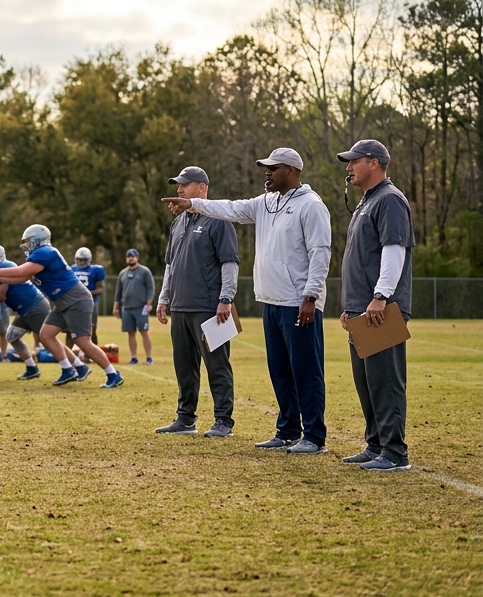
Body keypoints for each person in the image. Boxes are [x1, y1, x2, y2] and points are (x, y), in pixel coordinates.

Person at [163, 147, 332, 455]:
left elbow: (320, 252)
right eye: (265, 168)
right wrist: (192, 203)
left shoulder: (311, 205)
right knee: (280, 370)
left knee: (305, 370)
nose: (266, 172)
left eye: (273, 168)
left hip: (298, 302)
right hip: (271, 300)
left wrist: (310, 295)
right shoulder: (266, 203)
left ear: (291, 171)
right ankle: (287, 430)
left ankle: (314, 435)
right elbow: (230, 207)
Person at [338, 140, 414, 471]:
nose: (348, 167)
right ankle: (376, 444)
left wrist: (381, 296)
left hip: (380, 308)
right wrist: (351, 305)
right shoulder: (367, 201)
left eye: (354, 161)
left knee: (385, 381)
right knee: (367, 382)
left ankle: (395, 453)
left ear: (373, 163)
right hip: (362, 308)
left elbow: (393, 249)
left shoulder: (390, 200)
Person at [154, 166, 239, 438]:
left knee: (217, 365)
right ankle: (185, 419)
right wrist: (163, 298)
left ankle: (223, 421)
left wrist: (226, 298)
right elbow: (170, 265)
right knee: (184, 367)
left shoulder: (218, 219)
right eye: (178, 185)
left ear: (201, 188)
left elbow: (229, 262)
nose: (179, 189)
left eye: (185, 184)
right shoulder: (178, 222)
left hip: (209, 308)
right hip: (180, 307)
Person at [0, 225, 123, 388]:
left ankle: (112, 374)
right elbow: (21, 278)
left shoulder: (45, 252)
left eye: (28, 241)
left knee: (83, 341)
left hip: (76, 299)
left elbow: (22, 271)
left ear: (37, 240)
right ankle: (68, 369)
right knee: (46, 335)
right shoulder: (39, 255)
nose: (26, 245)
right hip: (62, 301)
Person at [0, 243, 58, 381]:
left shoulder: (3, 267)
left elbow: (1, 296)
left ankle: (74, 366)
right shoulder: (1, 267)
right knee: (12, 335)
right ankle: (32, 368)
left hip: (34, 306)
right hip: (24, 308)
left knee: (48, 339)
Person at [113, 249, 154, 365]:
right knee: (130, 333)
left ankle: (149, 357)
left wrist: (149, 303)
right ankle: (134, 357)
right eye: (128, 256)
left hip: (141, 307)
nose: (130, 258)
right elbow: (118, 292)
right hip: (126, 308)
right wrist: (116, 307)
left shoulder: (144, 272)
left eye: (133, 256)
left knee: (144, 331)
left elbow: (150, 288)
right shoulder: (122, 273)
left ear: (137, 258)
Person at [70, 247, 106, 348]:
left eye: (84, 260)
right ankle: (68, 356)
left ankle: (92, 354)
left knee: (91, 330)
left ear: (89, 260)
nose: (81, 262)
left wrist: (85, 293)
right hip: (74, 304)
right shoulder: (71, 269)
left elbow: (100, 289)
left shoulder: (96, 270)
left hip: (90, 303)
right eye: (79, 260)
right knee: (70, 330)